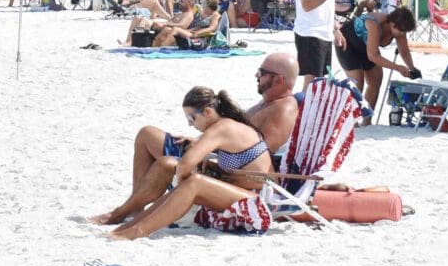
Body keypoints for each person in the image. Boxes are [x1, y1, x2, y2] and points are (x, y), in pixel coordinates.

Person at [89, 53, 300, 228]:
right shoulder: (268, 103)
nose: (256, 75)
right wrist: (204, 141)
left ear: (279, 79)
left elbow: (260, 151)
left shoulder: (283, 109)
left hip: (229, 173)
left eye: (262, 73)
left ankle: (125, 211)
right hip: (217, 159)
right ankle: (135, 207)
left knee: (154, 145)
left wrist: (206, 147)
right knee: (147, 135)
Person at [100, 86, 281, 240]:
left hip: (258, 200)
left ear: (207, 112)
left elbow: (185, 165)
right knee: (174, 169)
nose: (190, 124)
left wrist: (181, 185)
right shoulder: (225, 126)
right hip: (241, 189)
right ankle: (129, 224)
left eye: (191, 119)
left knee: (193, 182)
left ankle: (136, 230)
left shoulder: (221, 128)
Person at [344, 1, 420, 113]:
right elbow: (373, 56)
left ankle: (366, 119)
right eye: (401, 31)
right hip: (348, 41)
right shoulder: (375, 25)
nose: (402, 34)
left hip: (366, 45)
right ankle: (349, 119)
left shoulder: (399, 28)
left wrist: (412, 68)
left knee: (376, 81)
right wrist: (398, 68)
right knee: (357, 83)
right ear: (393, 24)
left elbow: (404, 50)